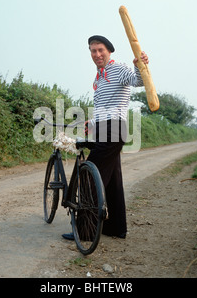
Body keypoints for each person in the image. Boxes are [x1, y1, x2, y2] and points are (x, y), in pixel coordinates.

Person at [62, 35, 149, 240]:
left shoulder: (118, 68)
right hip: (103, 127)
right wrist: (91, 123)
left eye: (100, 50)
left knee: (88, 175)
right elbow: (103, 108)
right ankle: (115, 228)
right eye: (93, 50)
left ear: (109, 51)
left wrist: (140, 65)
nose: (97, 54)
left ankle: (85, 231)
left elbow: (137, 80)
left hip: (114, 128)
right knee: (112, 181)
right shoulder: (99, 77)